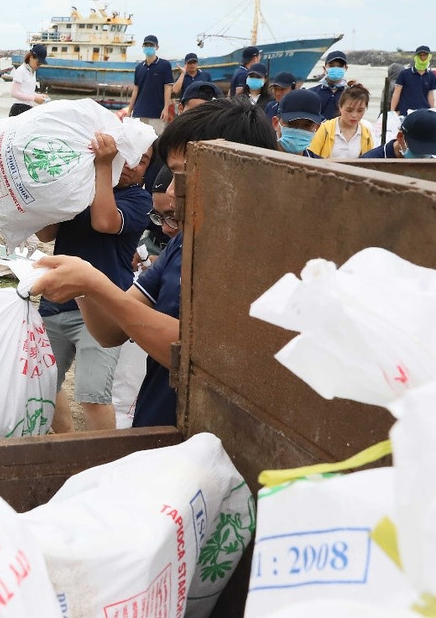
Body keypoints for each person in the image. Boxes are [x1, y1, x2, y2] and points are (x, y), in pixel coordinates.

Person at [28, 99, 276, 428]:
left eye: (179, 175)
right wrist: (85, 287)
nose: (171, 191)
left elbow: (190, 351)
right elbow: (110, 332)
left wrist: (95, 284)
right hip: (158, 428)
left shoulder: (261, 262)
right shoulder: (181, 246)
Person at [37, 133, 153, 432]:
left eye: (143, 161)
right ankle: (68, 450)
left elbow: (104, 221)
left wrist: (103, 167)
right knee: (42, 389)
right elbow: (45, 234)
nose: (133, 165)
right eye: (128, 154)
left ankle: (103, 465)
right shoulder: (81, 189)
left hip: (103, 312)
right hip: (56, 303)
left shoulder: (139, 199)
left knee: (93, 396)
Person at [308, 84, 375, 158]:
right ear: (340, 107)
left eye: (360, 111)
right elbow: (311, 157)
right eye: (349, 110)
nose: (354, 115)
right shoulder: (325, 129)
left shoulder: (366, 134)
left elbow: (369, 161)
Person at [126, 34, 174, 132]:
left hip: (157, 112)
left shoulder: (165, 65)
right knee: (139, 141)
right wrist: (130, 110)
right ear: (143, 47)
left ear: (157, 47)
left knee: (155, 141)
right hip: (139, 111)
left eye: (151, 45)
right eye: (146, 45)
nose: (148, 47)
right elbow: (136, 90)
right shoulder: (139, 67)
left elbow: (167, 88)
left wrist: (166, 108)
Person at [361, 106, 436, 159]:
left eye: (429, 152)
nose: (424, 157)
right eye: (419, 151)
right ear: (400, 137)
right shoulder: (369, 164)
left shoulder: (431, 164)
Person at [271, 89, 325, 156]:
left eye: (306, 126)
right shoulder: (258, 157)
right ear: (275, 123)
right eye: (292, 124)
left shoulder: (318, 165)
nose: (299, 130)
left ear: (317, 128)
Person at [390, 45, 436, 117]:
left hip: (424, 113)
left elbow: (430, 95)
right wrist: (392, 112)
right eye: (420, 55)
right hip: (406, 113)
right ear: (416, 57)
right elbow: (396, 93)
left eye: (425, 55)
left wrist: (433, 110)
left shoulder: (431, 76)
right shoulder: (404, 74)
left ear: (429, 57)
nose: (422, 57)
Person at [10, 44, 50, 116]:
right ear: (31, 58)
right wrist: (34, 98)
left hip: (28, 109)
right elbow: (14, 93)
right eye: (38, 63)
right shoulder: (21, 70)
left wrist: (39, 96)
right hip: (18, 109)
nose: (38, 66)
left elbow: (27, 91)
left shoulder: (32, 72)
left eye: (40, 64)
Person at [310, 51, 349, 120]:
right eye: (332, 66)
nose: (336, 68)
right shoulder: (312, 92)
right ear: (324, 68)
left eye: (340, 66)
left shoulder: (351, 94)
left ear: (346, 68)